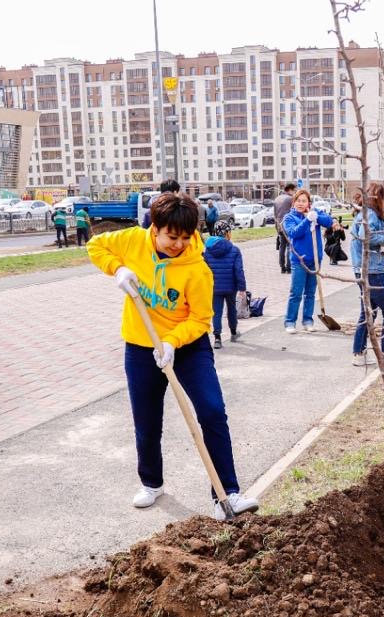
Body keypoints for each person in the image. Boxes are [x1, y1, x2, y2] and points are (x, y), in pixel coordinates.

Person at [87, 192, 258, 521]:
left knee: (211, 412)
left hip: (189, 346)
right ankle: (151, 483)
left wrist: (171, 342)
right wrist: (117, 268)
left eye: (185, 237)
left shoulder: (197, 268)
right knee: (147, 419)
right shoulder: (133, 240)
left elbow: (200, 320)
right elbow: (95, 245)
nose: (177, 244)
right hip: (140, 345)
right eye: (171, 236)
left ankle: (228, 493)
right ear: (155, 228)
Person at [351, 183, 384, 371]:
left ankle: (359, 354)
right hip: (372, 272)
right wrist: (382, 240)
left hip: (366, 269)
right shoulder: (370, 214)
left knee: (368, 313)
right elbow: (364, 236)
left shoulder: (364, 213)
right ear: (378, 197)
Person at [281, 189, 336, 333]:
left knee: (310, 293)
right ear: (294, 202)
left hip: (315, 260)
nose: (301, 203)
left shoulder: (314, 211)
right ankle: (290, 322)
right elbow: (293, 232)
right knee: (296, 293)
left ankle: (307, 321)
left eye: (304, 201)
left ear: (308, 203)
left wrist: (316, 217)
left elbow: (329, 222)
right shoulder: (289, 217)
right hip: (299, 261)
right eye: (298, 201)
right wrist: (307, 220)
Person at [203, 220, 246, 349]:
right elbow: (238, 270)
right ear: (227, 233)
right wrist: (242, 288)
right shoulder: (234, 250)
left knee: (216, 312)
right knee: (231, 309)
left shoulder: (208, 251)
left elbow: (204, 270)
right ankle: (233, 332)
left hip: (214, 287)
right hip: (230, 287)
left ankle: (217, 338)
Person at [273, 182, 296, 274]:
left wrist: (277, 227)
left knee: (282, 246)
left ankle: (282, 267)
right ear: (290, 189)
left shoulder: (277, 199)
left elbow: (275, 215)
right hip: (288, 225)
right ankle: (289, 267)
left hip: (279, 225)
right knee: (289, 246)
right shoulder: (291, 199)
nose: (295, 192)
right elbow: (294, 212)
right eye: (294, 190)